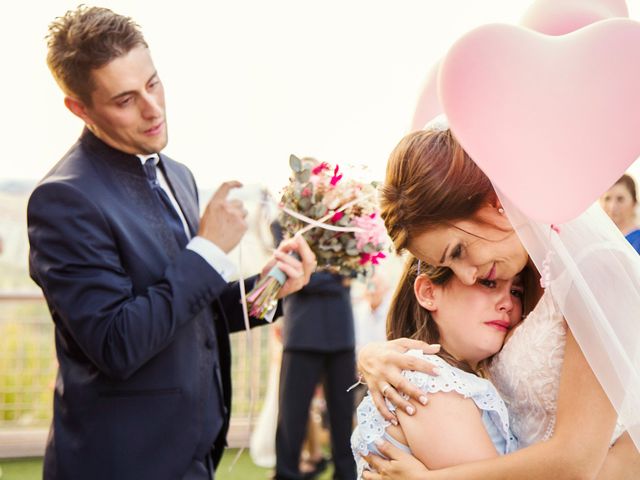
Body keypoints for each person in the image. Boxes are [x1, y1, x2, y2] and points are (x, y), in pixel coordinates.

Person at [28, 6, 315, 480]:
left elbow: (189, 313)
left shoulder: (176, 174)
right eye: (124, 99)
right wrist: (208, 249)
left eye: (153, 83)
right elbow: (117, 343)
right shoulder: (63, 199)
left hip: (193, 460)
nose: (152, 108)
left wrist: (268, 292)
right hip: (120, 465)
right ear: (79, 108)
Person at [356, 126, 640, 479]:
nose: (466, 276)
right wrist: (371, 357)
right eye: (448, 265)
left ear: (494, 199)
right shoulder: (513, 279)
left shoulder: (595, 268)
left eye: (458, 251)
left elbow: (576, 459)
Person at [351, 256, 524, 478]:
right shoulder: (431, 382)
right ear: (428, 293)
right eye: (488, 283)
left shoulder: (452, 379)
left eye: (516, 292)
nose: (507, 303)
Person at [271, 220, 357, 480]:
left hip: (341, 334)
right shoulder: (284, 222)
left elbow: (353, 272)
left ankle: (346, 475)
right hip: (302, 335)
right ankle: (286, 474)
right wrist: (334, 277)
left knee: (343, 416)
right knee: (292, 416)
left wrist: (315, 276)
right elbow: (294, 275)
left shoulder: (349, 223)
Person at [601, 174, 640, 253]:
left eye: (620, 199)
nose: (612, 207)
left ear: (634, 203)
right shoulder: (597, 238)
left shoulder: (637, 240)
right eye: (607, 198)